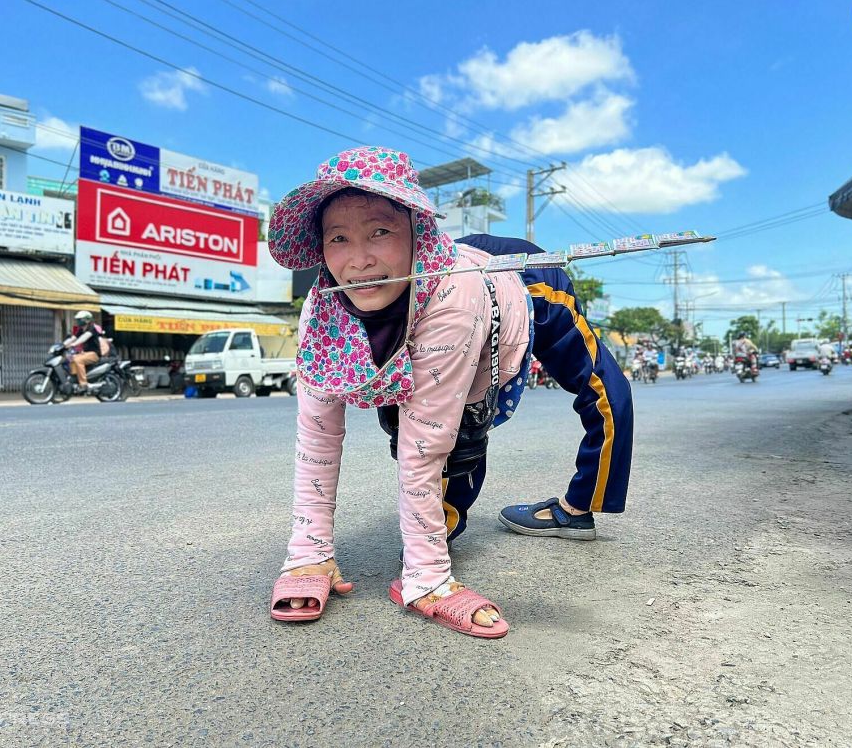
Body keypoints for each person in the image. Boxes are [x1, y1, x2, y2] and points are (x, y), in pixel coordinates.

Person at [267, 146, 634, 638]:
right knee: (417, 432)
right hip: (434, 296)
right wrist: (308, 554)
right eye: (338, 238)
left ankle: (577, 508)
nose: (359, 260)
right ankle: (430, 529)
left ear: (416, 233)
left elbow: (426, 447)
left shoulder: (454, 300)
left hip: (523, 279)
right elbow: (317, 439)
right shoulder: (321, 309)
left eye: (380, 230)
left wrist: (428, 577)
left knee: (592, 394)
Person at [63, 311, 103, 393]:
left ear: (87, 320)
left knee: (78, 360)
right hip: (85, 353)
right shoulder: (81, 329)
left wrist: (74, 344)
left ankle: (83, 384)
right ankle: (75, 380)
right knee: (72, 358)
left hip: (94, 354)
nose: (77, 322)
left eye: (79, 320)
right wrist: (62, 344)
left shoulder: (92, 329)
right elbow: (73, 338)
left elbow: (84, 338)